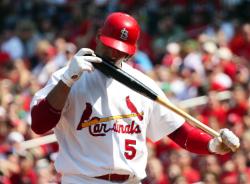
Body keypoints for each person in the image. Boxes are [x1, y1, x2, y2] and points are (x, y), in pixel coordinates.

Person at [30, 12, 240, 184]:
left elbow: (180, 133)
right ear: (98, 37)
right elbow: (39, 125)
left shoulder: (143, 84)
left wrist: (213, 145)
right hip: (83, 180)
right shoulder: (67, 77)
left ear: (131, 52)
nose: (113, 54)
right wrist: (67, 81)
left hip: (131, 180)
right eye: (109, 46)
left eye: (120, 50)